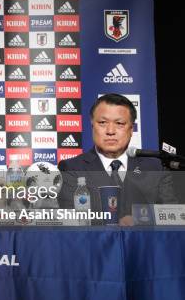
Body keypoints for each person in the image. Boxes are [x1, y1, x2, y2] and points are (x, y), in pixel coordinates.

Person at [58, 93, 178, 225]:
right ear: (92, 126)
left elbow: (173, 214)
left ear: (131, 129)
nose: (110, 131)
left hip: (144, 243)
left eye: (119, 123)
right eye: (102, 123)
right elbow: (70, 220)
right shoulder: (71, 168)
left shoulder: (155, 167)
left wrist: (140, 219)